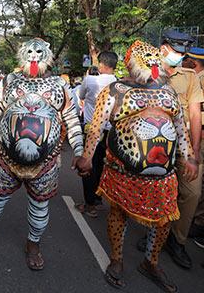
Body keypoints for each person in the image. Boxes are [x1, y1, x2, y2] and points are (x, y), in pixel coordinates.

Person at [78, 40, 198, 292]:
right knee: (118, 214)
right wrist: (87, 157)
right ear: (131, 65)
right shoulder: (114, 90)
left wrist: (189, 157)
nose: (152, 64)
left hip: (163, 175)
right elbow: (96, 127)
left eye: (155, 59)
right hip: (122, 171)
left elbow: (179, 127)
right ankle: (117, 259)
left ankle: (151, 263)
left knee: (164, 219)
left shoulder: (169, 92)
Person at [0, 38, 84, 270]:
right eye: (29, 51)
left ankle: (33, 245)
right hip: (6, 160)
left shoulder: (59, 84)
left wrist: (79, 150)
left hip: (45, 164)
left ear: (47, 56)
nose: (34, 55)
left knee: (39, 207)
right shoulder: (9, 81)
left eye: (39, 51)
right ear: (22, 54)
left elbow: (72, 119)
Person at [137, 30, 204, 269]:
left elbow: (196, 114)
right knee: (156, 190)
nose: (181, 55)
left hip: (185, 144)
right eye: (177, 50)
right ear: (163, 47)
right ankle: (154, 233)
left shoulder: (190, 77)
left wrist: (194, 153)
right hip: (155, 144)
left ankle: (177, 240)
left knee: (192, 193)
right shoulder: (146, 73)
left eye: (183, 51)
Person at [76, 52, 118, 218]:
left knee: (87, 165)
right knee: (103, 165)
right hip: (110, 132)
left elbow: (80, 96)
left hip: (92, 130)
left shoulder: (91, 80)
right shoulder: (119, 83)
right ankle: (99, 199)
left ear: (101, 64)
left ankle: (90, 205)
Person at [182, 47, 204, 248]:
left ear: (192, 62)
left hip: (193, 139)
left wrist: (195, 148)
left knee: (192, 189)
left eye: (185, 58)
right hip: (185, 139)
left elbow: (198, 114)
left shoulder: (197, 79)